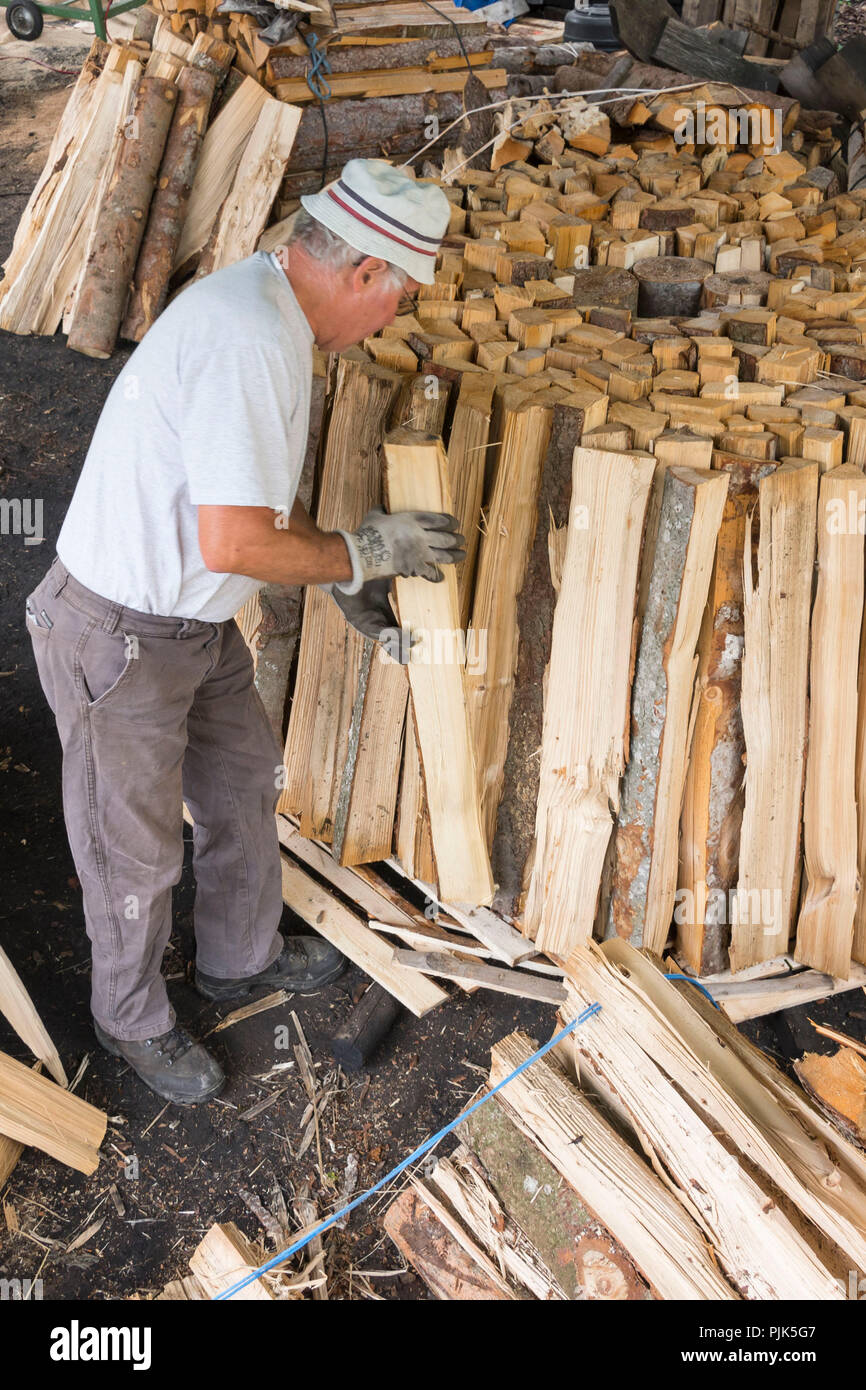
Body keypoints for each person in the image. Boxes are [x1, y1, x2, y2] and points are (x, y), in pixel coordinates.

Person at [25, 159, 463, 1105]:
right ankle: (130, 1016)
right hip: (120, 635)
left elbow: (250, 495)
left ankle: (238, 958)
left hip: (191, 620)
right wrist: (352, 554)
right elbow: (233, 537)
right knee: (131, 848)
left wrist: (340, 568)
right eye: (398, 299)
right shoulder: (249, 336)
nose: (389, 323)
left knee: (241, 785)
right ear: (363, 274)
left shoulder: (268, 313)